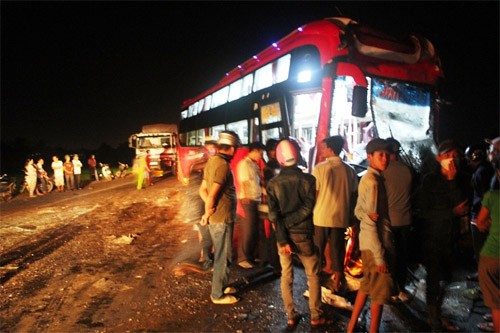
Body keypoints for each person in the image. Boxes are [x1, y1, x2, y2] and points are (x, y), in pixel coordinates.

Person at [266, 139, 330, 328]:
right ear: (298, 154)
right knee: (313, 275)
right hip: (304, 236)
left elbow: (273, 215)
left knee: (286, 276)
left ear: (279, 159)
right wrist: (291, 223)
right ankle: (316, 316)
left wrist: (283, 233)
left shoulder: (272, 183)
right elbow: (308, 208)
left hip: (282, 238)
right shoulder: (309, 179)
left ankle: (291, 315)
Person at [414, 140, 470, 332]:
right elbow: (422, 211)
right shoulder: (429, 180)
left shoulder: (460, 178)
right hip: (432, 238)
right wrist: (450, 212)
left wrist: (452, 181)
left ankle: (437, 313)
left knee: (447, 277)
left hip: (450, 238)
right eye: (448, 156)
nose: (452, 160)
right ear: (439, 158)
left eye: (455, 156)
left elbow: (464, 207)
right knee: (433, 280)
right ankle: (434, 320)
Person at [347, 138, 396, 333]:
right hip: (376, 245)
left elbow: (359, 211)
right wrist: (379, 256)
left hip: (367, 244)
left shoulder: (367, 178)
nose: (385, 159)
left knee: (366, 286)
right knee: (378, 296)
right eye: (380, 155)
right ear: (369, 157)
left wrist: (365, 215)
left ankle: (351, 327)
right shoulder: (374, 182)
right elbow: (369, 223)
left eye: (387, 155)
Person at [199, 130, 241, 305]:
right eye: (236, 148)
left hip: (218, 217)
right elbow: (212, 195)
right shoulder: (223, 165)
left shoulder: (212, 161)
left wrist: (208, 210)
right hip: (221, 218)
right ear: (231, 148)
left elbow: (202, 190)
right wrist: (208, 212)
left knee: (224, 255)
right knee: (223, 257)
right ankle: (217, 295)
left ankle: (222, 285)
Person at [312, 135, 358, 292]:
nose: (322, 150)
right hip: (341, 216)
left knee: (317, 248)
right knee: (338, 249)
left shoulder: (320, 168)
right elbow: (353, 195)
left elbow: (315, 193)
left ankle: (314, 282)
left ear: (330, 149)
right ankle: (337, 281)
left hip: (321, 215)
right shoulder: (350, 170)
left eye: (324, 147)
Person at [384, 137, 413, 302]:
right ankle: (401, 289)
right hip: (405, 220)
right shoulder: (407, 170)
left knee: (389, 257)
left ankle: (390, 290)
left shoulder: (383, 171)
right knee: (402, 256)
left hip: (389, 221)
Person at [475, 159, 499, 333]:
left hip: (492, 255)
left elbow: (481, 223)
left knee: (495, 301)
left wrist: (489, 223)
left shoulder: (492, 196)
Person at [465, 143, 495, 281]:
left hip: (479, 217)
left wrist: (484, 217)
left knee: (480, 248)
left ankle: (483, 276)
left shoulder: (481, 172)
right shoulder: (488, 169)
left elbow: (485, 197)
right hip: (484, 216)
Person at [236, 141, 266, 269]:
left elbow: (257, 183)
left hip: (255, 199)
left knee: (254, 230)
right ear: (253, 151)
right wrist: (247, 196)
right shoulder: (244, 164)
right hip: (248, 200)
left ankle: (251, 255)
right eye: (260, 153)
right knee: (248, 230)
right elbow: (244, 182)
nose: (261, 156)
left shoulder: (254, 165)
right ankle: (242, 258)